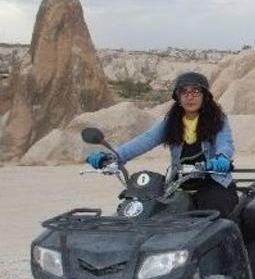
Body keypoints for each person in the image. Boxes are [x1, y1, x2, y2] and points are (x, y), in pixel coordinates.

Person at [86, 71, 239, 219]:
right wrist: (114, 156)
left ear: (205, 96)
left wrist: (222, 158)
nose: (189, 97)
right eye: (184, 92)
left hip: (213, 182)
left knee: (212, 218)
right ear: (178, 97)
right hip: (179, 185)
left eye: (196, 91)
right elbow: (144, 140)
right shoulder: (170, 122)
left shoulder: (218, 119)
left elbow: (225, 143)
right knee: (154, 215)